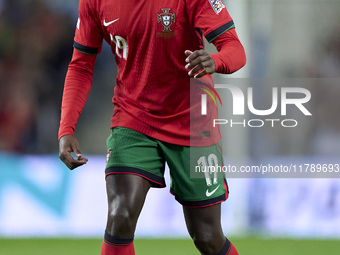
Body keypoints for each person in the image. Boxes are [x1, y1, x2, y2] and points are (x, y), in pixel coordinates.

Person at [58, 0, 246, 254]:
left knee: (207, 236)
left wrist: (216, 60)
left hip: (192, 119)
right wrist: (66, 128)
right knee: (120, 216)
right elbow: (81, 65)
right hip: (134, 119)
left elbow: (235, 48)